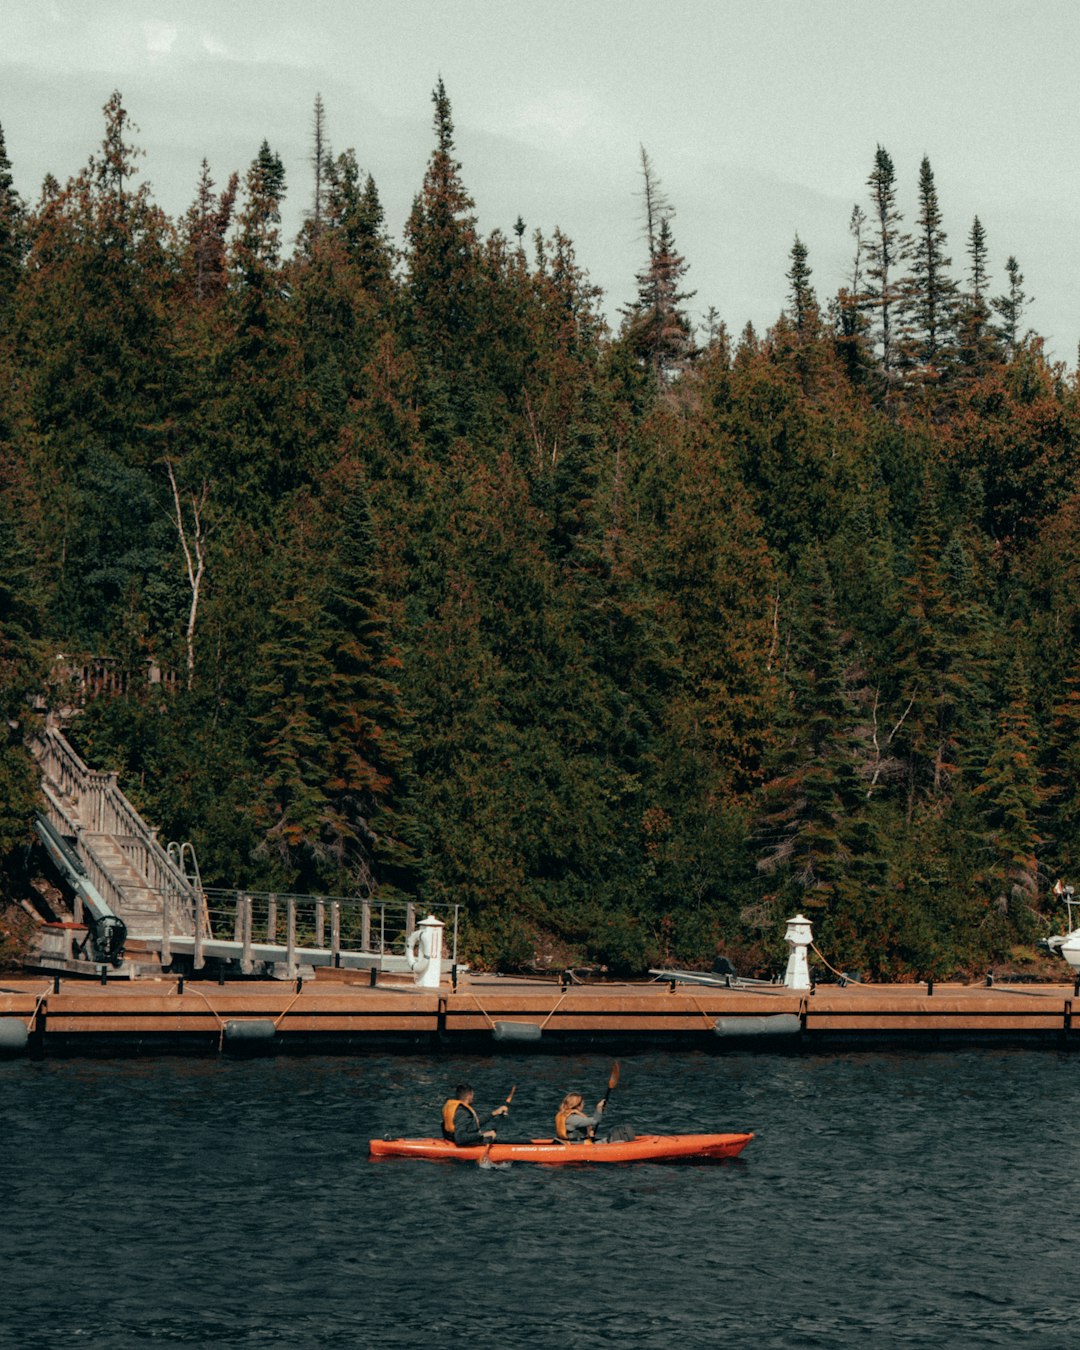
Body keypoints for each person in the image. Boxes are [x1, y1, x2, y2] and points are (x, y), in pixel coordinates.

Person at [441, 1082, 509, 1146]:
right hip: (464, 1144)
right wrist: (483, 1135)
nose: (473, 1097)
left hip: (450, 1140)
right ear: (469, 1096)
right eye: (472, 1095)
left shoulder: (457, 1109)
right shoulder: (463, 1113)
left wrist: (494, 1113)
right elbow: (460, 1138)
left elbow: (473, 1124)